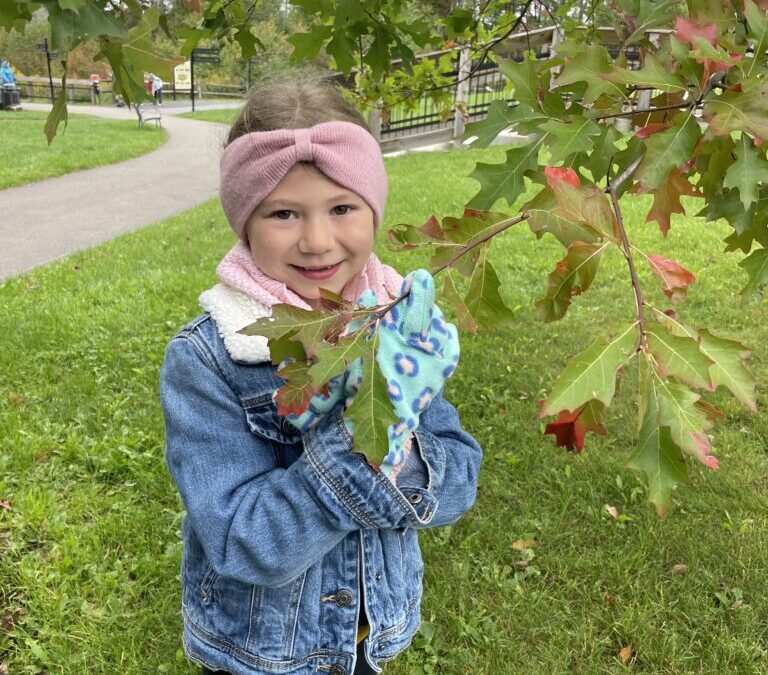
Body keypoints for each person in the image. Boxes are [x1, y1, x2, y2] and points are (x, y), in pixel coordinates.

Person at [160, 74, 482, 675]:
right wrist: (371, 447)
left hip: (367, 637)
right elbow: (240, 540)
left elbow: (458, 476)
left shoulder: (401, 331)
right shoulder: (210, 360)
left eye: (341, 208)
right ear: (244, 223)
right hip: (258, 653)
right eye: (284, 213)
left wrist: (408, 446)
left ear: (374, 211)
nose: (317, 240)